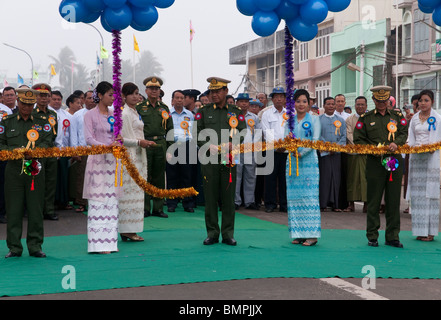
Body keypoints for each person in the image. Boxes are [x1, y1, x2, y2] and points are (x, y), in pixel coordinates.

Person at [1, 88, 54, 258]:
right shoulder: (7, 122)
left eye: (30, 104)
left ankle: (35, 245)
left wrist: (36, 152)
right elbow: (1, 144)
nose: (26, 108)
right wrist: (13, 151)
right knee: (14, 210)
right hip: (14, 168)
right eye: (24, 104)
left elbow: (47, 142)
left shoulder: (42, 121)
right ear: (18, 102)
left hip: (34, 166)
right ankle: (14, 247)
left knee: (35, 208)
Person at [354, 86, 408, 248]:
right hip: (375, 163)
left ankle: (393, 236)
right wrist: (372, 150)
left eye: (385, 101)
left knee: (393, 200)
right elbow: (358, 139)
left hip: (394, 161)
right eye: (379, 101)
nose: (382, 104)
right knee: (374, 200)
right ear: (374, 100)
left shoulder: (397, 116)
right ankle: (372, 235)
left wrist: (396, 143)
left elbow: (403, 133)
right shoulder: (366, 118)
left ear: (389, 100)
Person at [196, 77, 246, 246]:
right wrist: (207, 145)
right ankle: (212, 233)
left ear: (226, 91)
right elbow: (197, 133)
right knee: (210, 197)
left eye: (218, 91)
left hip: (228, 158)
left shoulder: (235, 111)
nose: (214, 95)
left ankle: (227, 233)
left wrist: (234, 143)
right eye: (211, 92)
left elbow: (242, 131)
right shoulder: (203, 111)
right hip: (209, 159)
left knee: (228, 197)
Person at [83, 81, 123, 254]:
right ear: (99, 95)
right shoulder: (89, 115)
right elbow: (89, 139)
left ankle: (111, 242)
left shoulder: (115, 114)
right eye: (110, 94)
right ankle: (97, 244)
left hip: (113, 161)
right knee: (98, 202)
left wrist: (118, 143)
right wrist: (107, 147)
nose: (113, 98)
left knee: (112, 201)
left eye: (114, 95)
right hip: (98, 161)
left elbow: (119, 135)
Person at [285, 89, 321, 246]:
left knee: (309, 197)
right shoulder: (290, 120)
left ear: (309, 103)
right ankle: (298, 233)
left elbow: (315, 140)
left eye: (304, 101)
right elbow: (286, 139)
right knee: (294, 198)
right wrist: (292, 150)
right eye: (298, 101)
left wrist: (302, 152)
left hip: (309, 163)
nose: (301, 104)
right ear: (293, 103)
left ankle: (312, 235)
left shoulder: (314, 119)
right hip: (292, 162)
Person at [119, 83, 155, 242]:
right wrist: (139, 143)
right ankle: (127, 230)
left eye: (137, 93)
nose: (136, 96)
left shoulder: (134, 112)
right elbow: (121, 139)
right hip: (130, 157)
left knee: (137, 192)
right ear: (124, 96)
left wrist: (142, 143)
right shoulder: (124, 113)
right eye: (132, 94)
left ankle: (131, 228)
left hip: (140, 155)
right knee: (129, 193)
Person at [136, 76, 173, 218]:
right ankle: (145, 208)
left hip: (160, 143)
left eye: (156, 89)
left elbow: (170, 129)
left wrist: (170, 148)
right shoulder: (140, 108)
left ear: (159, 91)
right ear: (146, 90)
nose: (154, 91)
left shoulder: (164, 108)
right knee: (144, 176)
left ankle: (158, 207)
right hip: (145, 143)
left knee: (158, 177)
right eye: (151, 88)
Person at [407, 90, 441, 242]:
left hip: (431, 158)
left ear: (432, 102)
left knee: (430, 195)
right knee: (418, 195)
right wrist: (409, 147)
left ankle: (431, 232)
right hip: (416, 158)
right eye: (420, 101)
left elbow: (438, 139)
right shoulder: (414, 118)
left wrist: (431, 147)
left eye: (426, 100)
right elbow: (411, 137)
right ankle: (420, 231)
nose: (422, 103)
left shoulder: (437, 118)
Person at [32, 83, 59, 221]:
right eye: (41, 95)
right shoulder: (31, 113)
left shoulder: (53, 114)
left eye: (46, 96)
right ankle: (36, 210)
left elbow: (55, 134)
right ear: (35, 97)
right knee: (35, 183)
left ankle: (49, 209)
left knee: (50, 182)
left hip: (50, 153)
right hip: (34, 153)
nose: (44, 98)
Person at [166, 89, 195, 212]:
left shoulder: (189, 114)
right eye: (177, 98)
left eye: (181, 98)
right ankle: (172, 203)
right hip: (172, 145)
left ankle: (188, 203)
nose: (179, 100)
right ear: (172, 100)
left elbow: (193, 132)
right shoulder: (167, 114)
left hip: (186, 145)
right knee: (172, 175)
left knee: (187, 176)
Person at [261, 87, 288, 213]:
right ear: (272, 99)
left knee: (285, 179)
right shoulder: (267, 114)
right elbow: (267, 132)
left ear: (284, 99)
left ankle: (284, 204)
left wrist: (285, 146)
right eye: (276, 97)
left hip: (287, 151)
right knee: (270, 178)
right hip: (272, 150)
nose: (279, 99)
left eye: (281, 96)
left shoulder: (290, 113)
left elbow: (292, 131)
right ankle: (270, 204)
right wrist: (277, 146)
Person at [318, 97, 346, 212]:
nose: (330, 106)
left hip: (336, 153)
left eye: (332, 104)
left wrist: (336, 147)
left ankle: (336, 204)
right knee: (324, 178)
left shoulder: (341, 120)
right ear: (324, 105)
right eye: (328, 104)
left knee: (336, 178)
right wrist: (327, 147)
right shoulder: (318, 120)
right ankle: (323, 204)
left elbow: (344, 136)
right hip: (324, 153)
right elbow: (317, 135)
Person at [70, 90, 96, 213]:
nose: (91, 100)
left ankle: (96, 203)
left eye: (94, 98)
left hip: (99, 150)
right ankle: (81, 203)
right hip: (83, 150)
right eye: (89, 98)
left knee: (97, 178)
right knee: (82, 177)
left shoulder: (103, 113)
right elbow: (73, 134)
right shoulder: (78, 115)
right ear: (84, 100)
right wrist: (75, 151)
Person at [234, 93, 260, 210]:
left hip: (250, 150)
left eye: (246, 101)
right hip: (236, 150)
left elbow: (258, 133)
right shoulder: (232, 116)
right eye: (241, 101)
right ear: (236, 103)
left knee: (250, 176)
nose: (244, 103)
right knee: (236, 176)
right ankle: (236, 201)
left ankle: (249, 201)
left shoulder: (253, 117)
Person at [50, 91, 74, 211]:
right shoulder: (47, 114)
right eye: (54, 99)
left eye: (59, 99)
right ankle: (51, 202)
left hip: (64, 151)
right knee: (52, 178)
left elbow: (70, 134)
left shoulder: (67, 115)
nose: (56, 101)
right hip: (49, 151)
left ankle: (63, 201)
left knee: (63, 177)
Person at [345, 96, 368, 213]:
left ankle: (366, 203)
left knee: (365, 178)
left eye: (362, 105)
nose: (360, 107)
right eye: (358, 104)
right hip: (353, 153)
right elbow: (349, 134)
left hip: (367, 153)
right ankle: (351, 203)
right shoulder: (349, 119)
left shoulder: (370, 118)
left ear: (366, 106)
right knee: (352, 178)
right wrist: (357, 146)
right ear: (355, 106)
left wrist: (365, 147)